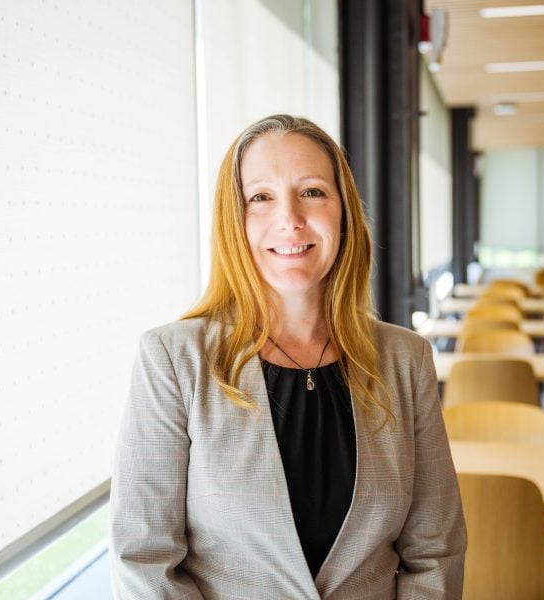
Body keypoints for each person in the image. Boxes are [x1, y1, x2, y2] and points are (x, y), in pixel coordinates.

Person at [110, 114, 467, 598]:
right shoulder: (173, 359)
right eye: (261, 197)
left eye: (313, 192)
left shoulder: (406, 360)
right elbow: (143, 560)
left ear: (344, 211)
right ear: (235, 221)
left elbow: (436, 554)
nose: (290, 219)